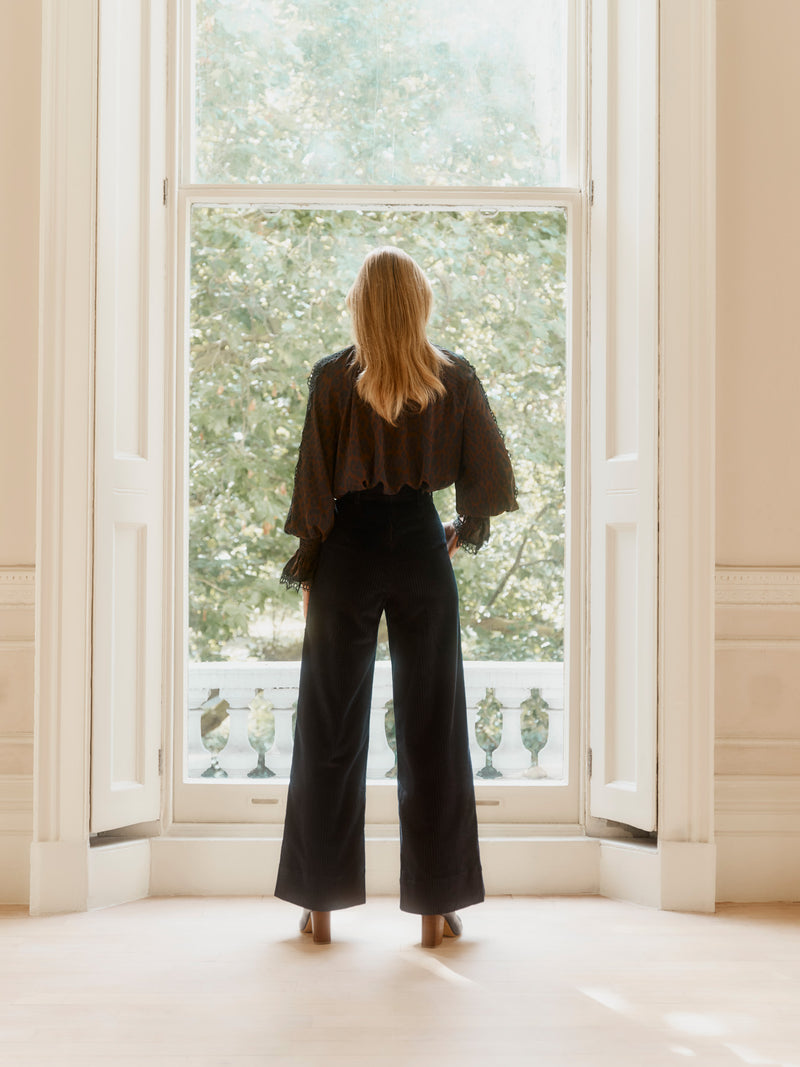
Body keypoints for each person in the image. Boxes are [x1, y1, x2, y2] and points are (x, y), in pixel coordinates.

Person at [273, 246, 518, 946]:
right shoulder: (454, 377)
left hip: (347, 552)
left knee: (328, 727)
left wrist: (315, 568)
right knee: (433, 727)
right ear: (419, 304)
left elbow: (313, 491)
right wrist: (454, 532)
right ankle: (437, 910)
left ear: (360, 303)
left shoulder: (331, 379)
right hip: (418, 547)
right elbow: (488, 480)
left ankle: (319, 906)